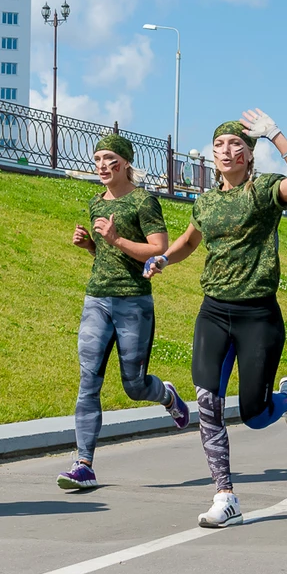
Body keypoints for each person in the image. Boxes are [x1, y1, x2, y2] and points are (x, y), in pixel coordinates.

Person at [144, 110, 287, 528]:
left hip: (258, 315)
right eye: (219, 145)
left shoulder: (265, 191)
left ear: (248, 154)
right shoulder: (206, 202)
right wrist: (164, 258)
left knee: (255, 414)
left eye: (235, 144)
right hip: (214, 312)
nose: (226, 151)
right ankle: (225, 495)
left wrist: (275, 134)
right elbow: (190, 241)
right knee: (208, 403)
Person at [58, 134, 190, 491]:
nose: (102, 165)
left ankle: (166, 395)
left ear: (125, 162)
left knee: (134, 386)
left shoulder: (144, 202)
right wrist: (91, 245)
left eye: (109, 158)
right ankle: (83, 464)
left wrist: (116, 239)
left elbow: (159, 249)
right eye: (97, 158)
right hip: (97, 300)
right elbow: (107, 255)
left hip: (134, 303)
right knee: (88, 382)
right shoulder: (95, 203)